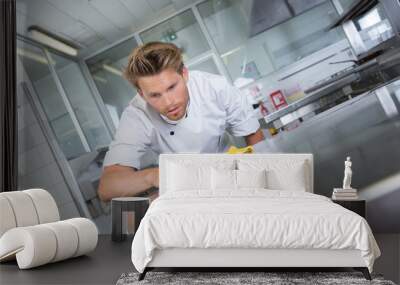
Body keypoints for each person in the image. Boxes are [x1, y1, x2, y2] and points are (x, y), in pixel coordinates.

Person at [98, 42, 265, 202]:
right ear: (142, 95)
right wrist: (156, 176)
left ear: (184, 74)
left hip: (230, 170)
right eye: (155, 95)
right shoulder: (136, 115)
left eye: (172, 87)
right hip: (185, 188)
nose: (169, 102)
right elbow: (107, 187)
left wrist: (259, 184)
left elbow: (252, 134)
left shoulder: (214, 87)